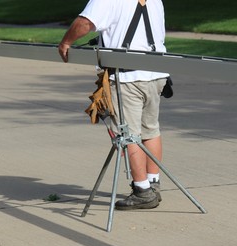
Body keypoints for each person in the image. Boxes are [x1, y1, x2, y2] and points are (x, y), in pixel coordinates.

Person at [58, 0, 169, 210]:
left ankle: (142, 191)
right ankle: (153, 183)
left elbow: (84, 23)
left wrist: (65, 42)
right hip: (156, 73)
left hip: (127, 77)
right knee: (151, 130)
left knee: (129, 135)